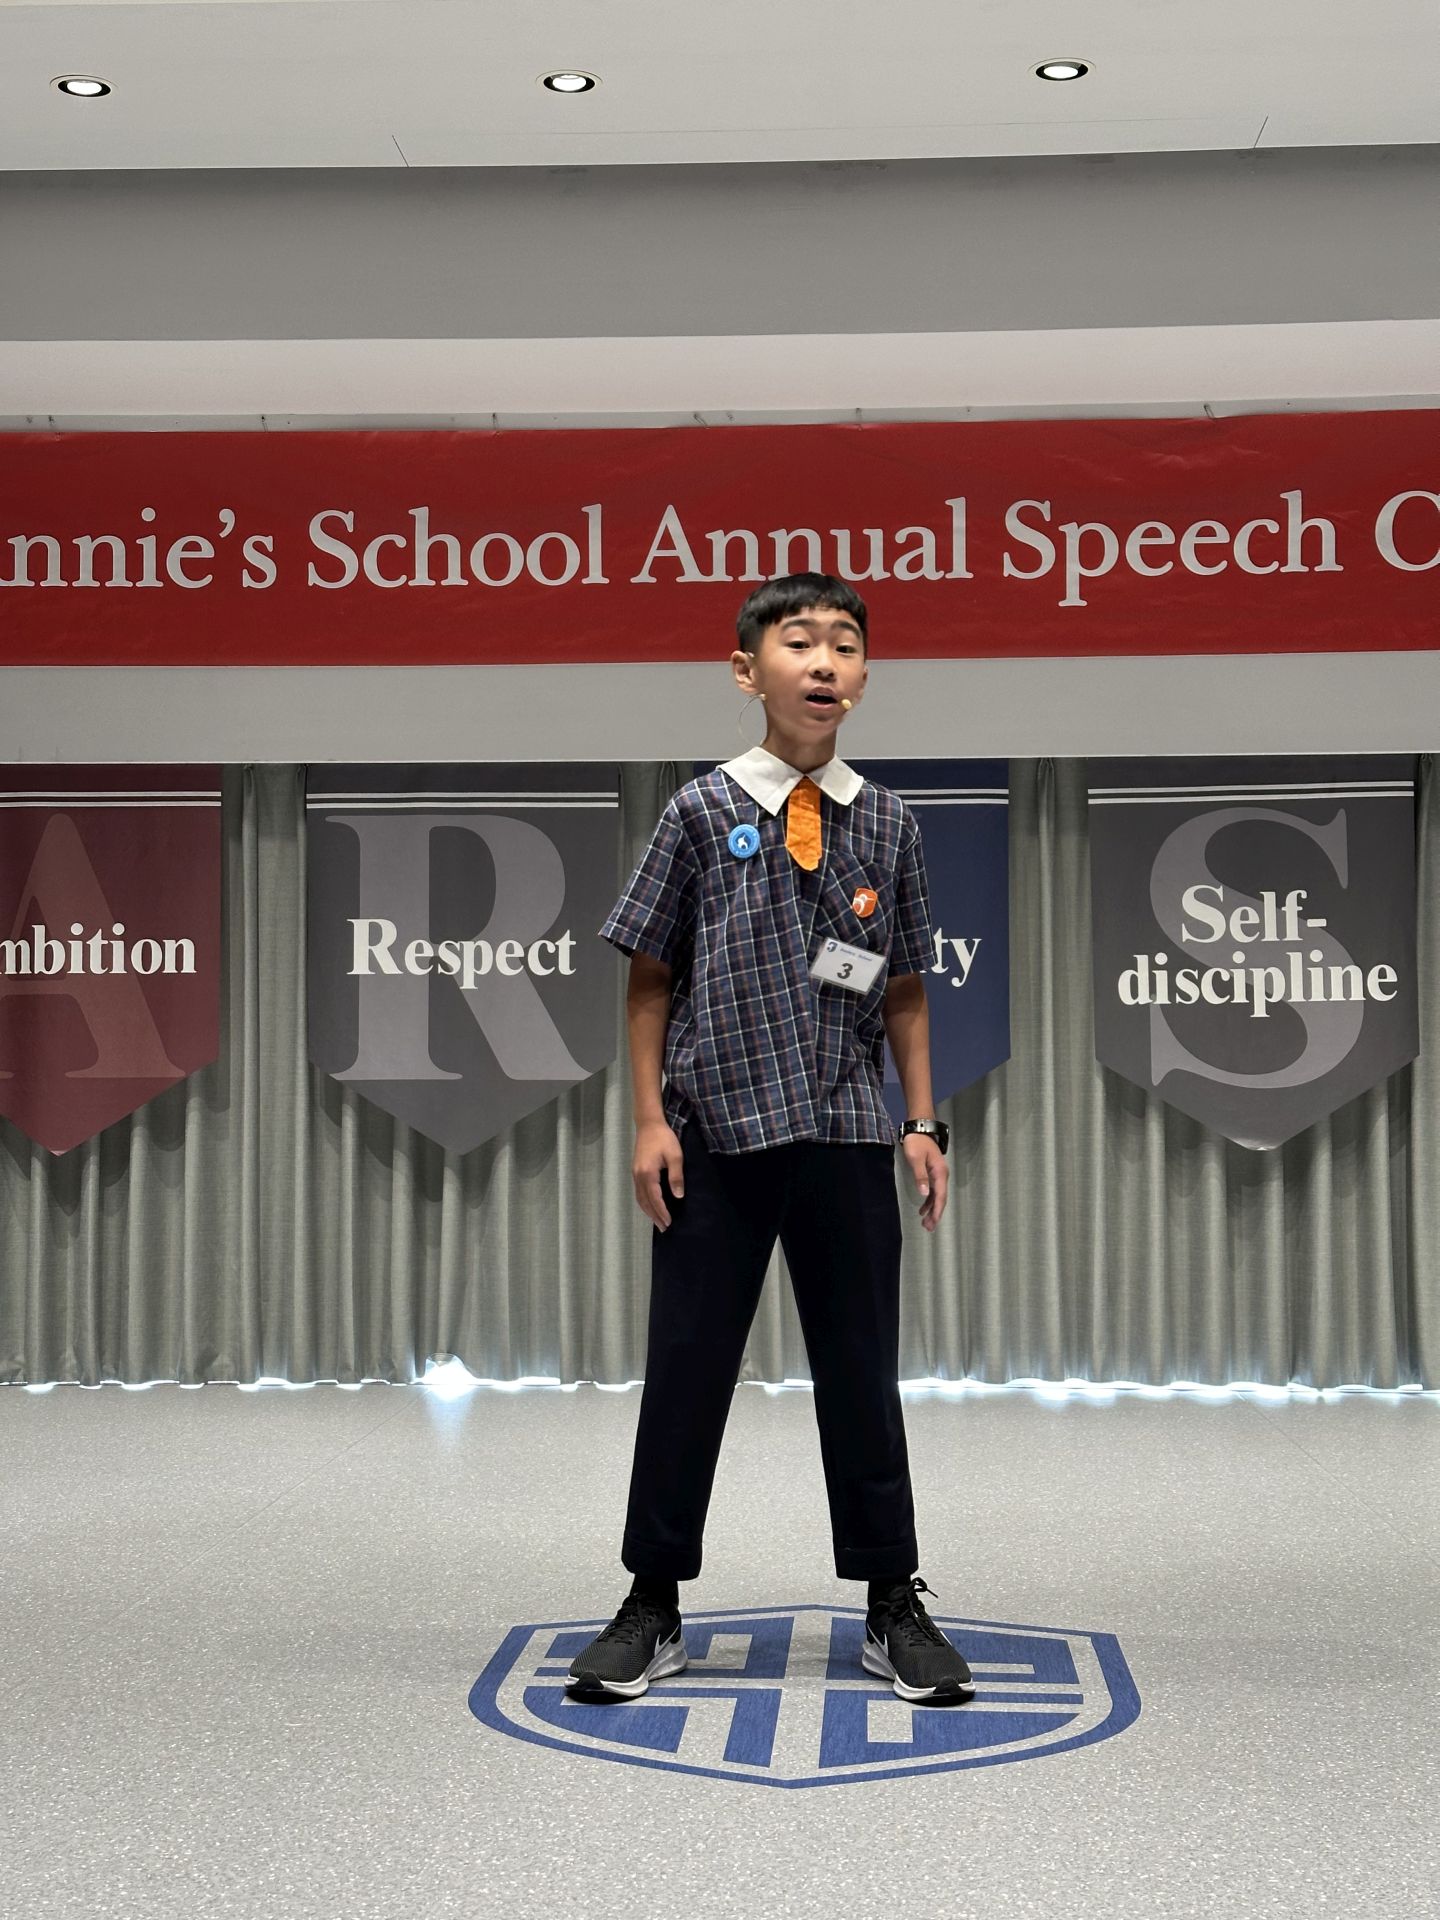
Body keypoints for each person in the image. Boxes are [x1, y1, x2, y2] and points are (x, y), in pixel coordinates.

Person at [567, 572, 974, 1706]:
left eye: (844, 643)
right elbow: (651, 978)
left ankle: (892, 1600)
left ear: (865, 676)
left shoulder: (887, 823)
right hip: (714, 1132)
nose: (824, 661)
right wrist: (649, 1120)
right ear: (748, 670)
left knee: (862, 1375)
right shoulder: (700, 811)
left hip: (842, 1131)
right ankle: (652, 1600)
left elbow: (903, 986)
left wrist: (921, 1120)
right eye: (799, 642)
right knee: (686, 1372)